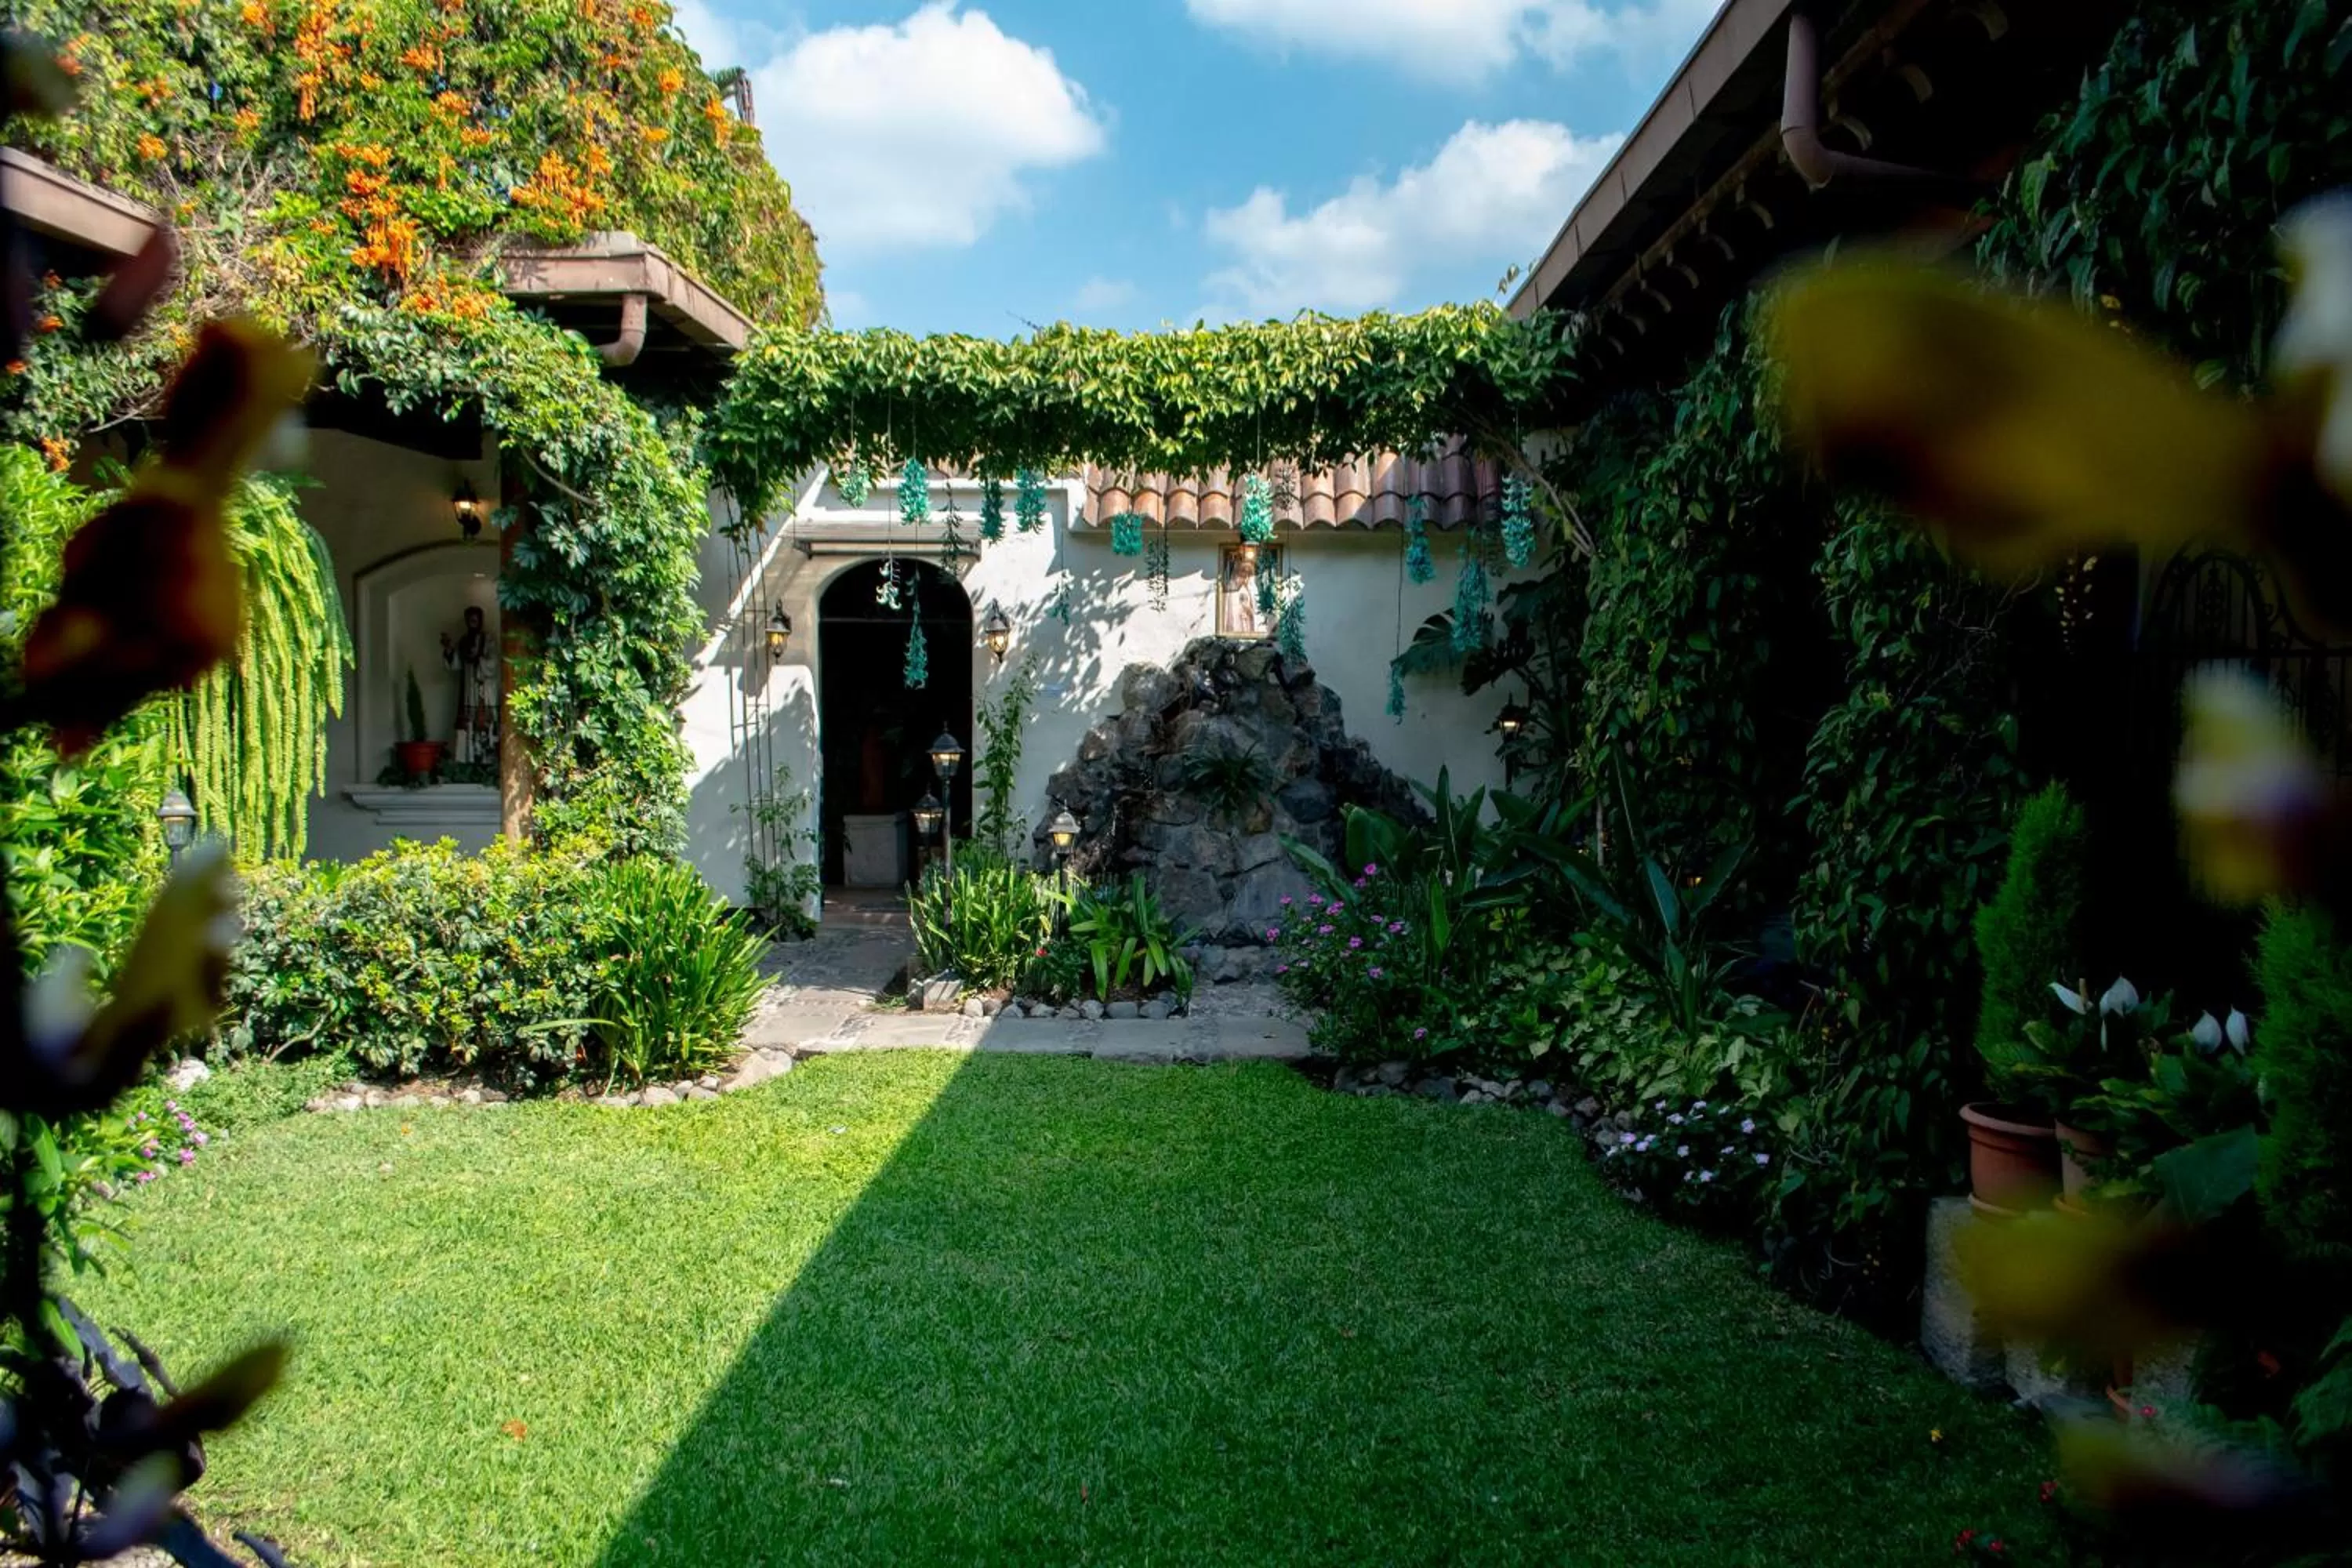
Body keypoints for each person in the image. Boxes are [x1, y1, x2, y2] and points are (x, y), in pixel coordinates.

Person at [441, 604, 497, 766]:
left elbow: (493, 663)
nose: (472, 623)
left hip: (483, 689)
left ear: (480, 620)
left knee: (485, 722)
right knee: (467, 723)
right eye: (469, 620)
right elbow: (456, 664)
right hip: (467, 687)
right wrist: (449, 650)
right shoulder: (464, 641)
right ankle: (467, 761)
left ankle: (487, 761)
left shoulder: (488, 640)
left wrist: (478, 661)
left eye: (475, 619)